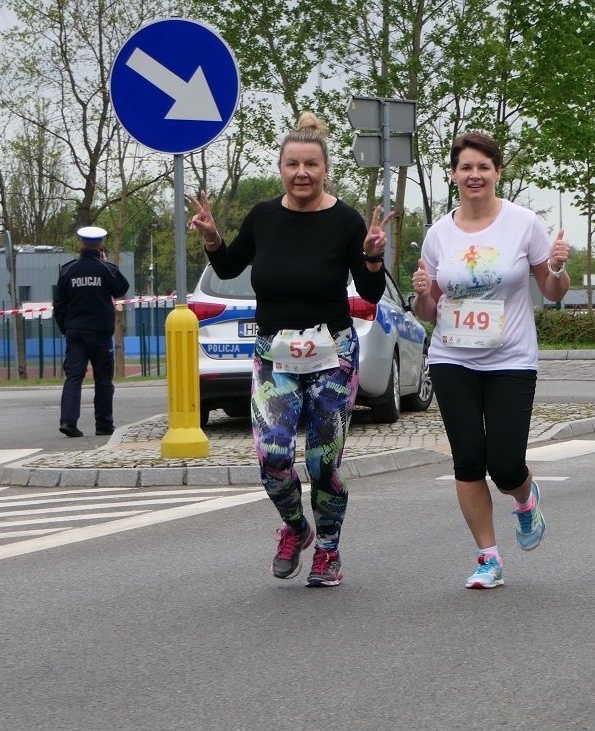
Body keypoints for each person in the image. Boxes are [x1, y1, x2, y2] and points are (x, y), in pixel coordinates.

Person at [186, 112, 393, 588]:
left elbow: (370, 291)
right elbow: (230, 264)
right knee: (273, 457)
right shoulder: (263, 217)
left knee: (322, 462)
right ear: (281, 168)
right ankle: (297, 528)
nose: (302, 173)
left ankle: (328, 551)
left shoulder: (346, 220)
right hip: (273, 354)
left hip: (332, 355)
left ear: (325, 170)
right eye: (292, 164)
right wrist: (212, 237)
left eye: (311, 165)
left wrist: (372, 255)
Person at [411, 132, 570, 590]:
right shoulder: (438, 234)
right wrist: (422, 295)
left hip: (511, 359)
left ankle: (525, 498)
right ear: (454, 174)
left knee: (504, 464)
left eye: (483, 167)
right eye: (466, 167)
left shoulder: (524, 224)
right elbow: (428, 311)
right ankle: (488, 559)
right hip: (451, 357)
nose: (474, 175)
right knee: (467, 459)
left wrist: (557, 267)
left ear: (497, 172)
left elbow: (552, 291)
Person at [54, 225, 130, 438]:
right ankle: (103, 424)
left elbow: (59, 304)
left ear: (81, 244)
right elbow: (121, 289)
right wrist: (105, 263)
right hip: (100, 333)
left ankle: (68, 422)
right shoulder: (107, 269)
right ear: (100, 245)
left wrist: (66, 327)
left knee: (74, 377)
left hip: (75, 332)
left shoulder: (68, 270)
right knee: (103, 378)